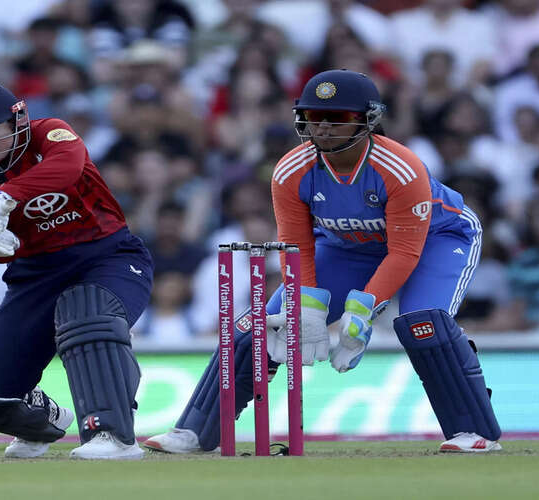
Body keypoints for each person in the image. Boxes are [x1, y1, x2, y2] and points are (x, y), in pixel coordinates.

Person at [145, 69, 501, 454]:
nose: (325, 128)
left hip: (436, 238)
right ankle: (197, 432)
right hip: (347, 246)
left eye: (339, 119)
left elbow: (403, 254)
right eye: (315, 118)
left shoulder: (401, 167)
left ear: (367, 121)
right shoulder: (290, 170)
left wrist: (361, 311)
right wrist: (309, 308)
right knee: (262, 325)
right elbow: (296, 244)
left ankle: (472, 431)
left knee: (424, 322)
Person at [0, 81, 153, 460]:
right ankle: (40, 423)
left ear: (15, 121)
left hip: (107, 257)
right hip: (34, 276)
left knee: (91, 316)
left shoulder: (50, 134)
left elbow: (67, 167)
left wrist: (7, 196)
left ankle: (114, 435)